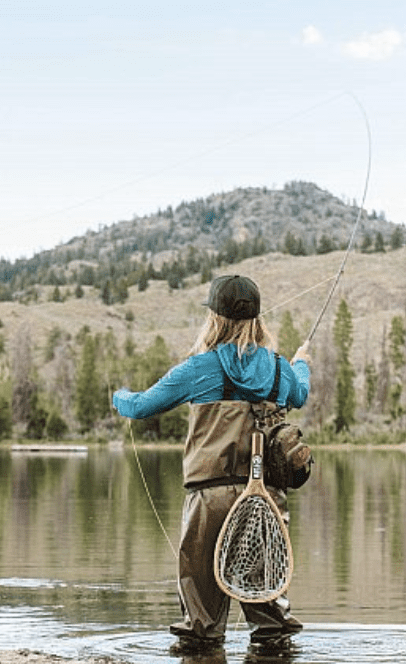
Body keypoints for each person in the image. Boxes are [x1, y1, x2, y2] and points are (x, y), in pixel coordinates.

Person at [112, 275, 312, 656]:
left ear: (214, 319)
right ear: (257, 320)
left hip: (209, 499)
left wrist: (118, 396)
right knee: (272, 623)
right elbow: (299, 391)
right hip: (265, 500)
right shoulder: (280, 369)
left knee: (200, 628)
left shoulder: (198, 369)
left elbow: (139, 407)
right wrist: (302, 364)